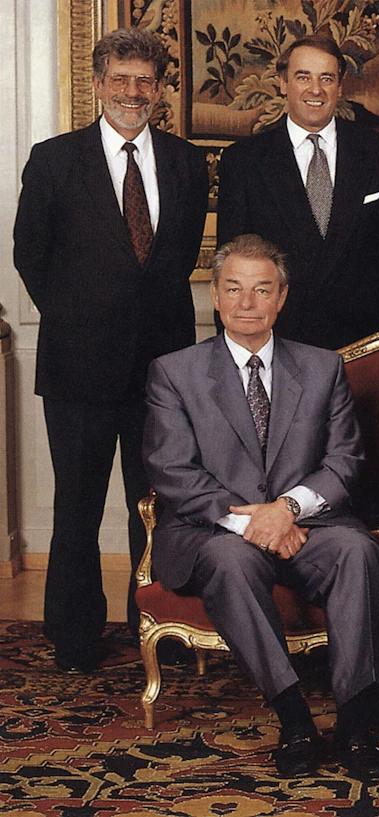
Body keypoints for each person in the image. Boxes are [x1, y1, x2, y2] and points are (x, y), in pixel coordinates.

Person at [142, 234, 379, 780]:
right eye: (233, 288)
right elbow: (173, 472)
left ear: (282, 298)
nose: (246, 303)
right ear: (214, 295)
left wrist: (288, 510)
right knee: (232, 562)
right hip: (213, 532)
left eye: (261, 290)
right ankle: (295, 718)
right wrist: (255, 521)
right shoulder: (174, 372)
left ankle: (355, 723)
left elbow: (345, 459)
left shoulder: (322, 367)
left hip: (308, 526)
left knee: (358, 550)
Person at [13, 27, 208, 672]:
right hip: (79, 365)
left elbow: (175, 260)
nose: (133, 92)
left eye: (145, 81)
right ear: (97, 85)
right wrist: (80, 317)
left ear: (160, 89)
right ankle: (73, 637)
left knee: (158, 501)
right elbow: (29, 256)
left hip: (164, 366)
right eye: (120, 79)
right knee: (80, 502)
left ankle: (157, 623)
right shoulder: (52, 159)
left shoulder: (186, 163)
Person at [217, 35, 379, 349]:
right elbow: (231, 262)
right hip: (280, 340)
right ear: (282, 83)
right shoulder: (243, 162)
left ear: (340, 87)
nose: (316, 90)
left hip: (365, 339)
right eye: (303, 78)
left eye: (326, 79)